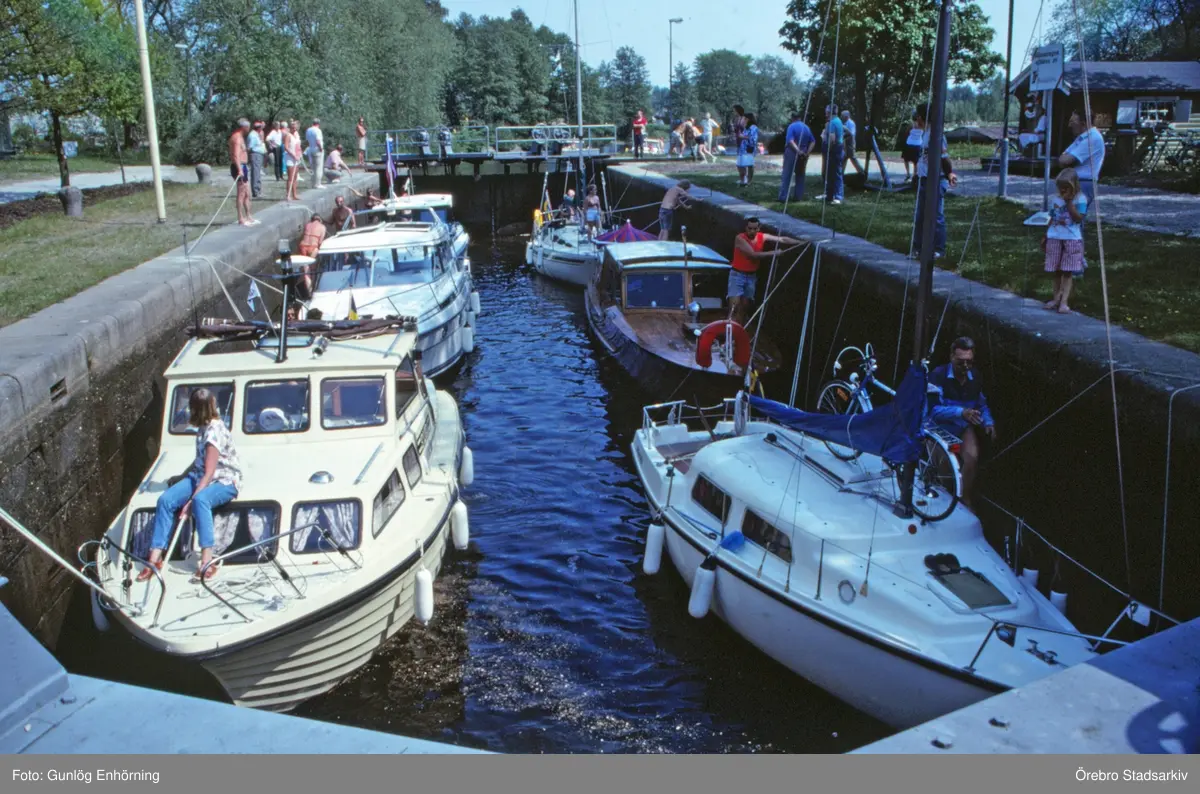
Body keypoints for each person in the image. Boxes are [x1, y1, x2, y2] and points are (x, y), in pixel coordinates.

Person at [137, 388, 242, 583]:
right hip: (199, 476)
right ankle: (155, 558)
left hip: (224, 480)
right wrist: (183, 477)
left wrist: (190, 502)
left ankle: (207, 561)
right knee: (165, 500)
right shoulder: (203, 427)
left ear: (195, 409)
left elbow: (210, 472)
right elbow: (200, 462)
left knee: (201, 501)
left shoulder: (214, 432)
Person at [928, 337, 996, 509]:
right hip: (939, 427)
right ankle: (944, 501)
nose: (965, 367)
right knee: (944, 468)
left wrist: (988, 422)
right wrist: (961, 412)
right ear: (951, 357)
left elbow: (981, 403)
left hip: (962, 426)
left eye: (969, 362)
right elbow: (933, 410)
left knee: (971, 458)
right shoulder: (937, 375)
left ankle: (964, 498)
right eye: (960, 362)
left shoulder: (976, 377)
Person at [727, 216, 802, 328]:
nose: (752, 231)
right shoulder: (739, 238)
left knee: (744, 307)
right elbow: (753, 255)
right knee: (734, 306)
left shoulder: (762, 236)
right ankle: (728, 330)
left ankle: (739, 331)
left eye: (754, 229)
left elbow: (783, 239)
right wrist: (774, 253)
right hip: (737, 275)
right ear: (746, 228)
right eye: (749, 228)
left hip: (751, 277)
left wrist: (801, 242)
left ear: (758, 228)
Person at [912, 104, 958, 259]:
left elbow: (944, 157)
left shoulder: (936, 134)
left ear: (921, 117)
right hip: (924, 179)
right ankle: (917, 248)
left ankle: (939, 249)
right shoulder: (925, 133)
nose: (916, 120)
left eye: (917, 117)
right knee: (920, 216)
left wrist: (949, 173)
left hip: (936, 180)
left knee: (936, 215)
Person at [1042, 167, 1087, 314]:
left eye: (1066, 187)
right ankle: (1056, 298)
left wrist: (1069, 203)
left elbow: (1078, 218)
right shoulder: (1055, 198)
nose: (1062, 190)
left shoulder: (1080, 199)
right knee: (1056, 270)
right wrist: (1046, 235)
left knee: (1067, 271)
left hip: (1071, 238)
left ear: (1074, 186)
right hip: (1055, 237)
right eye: (1060, 187)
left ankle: (1064, 301)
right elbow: (1052, 216)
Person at [1058, 109, 1105, 208]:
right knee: (1064, 214)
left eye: (1072, 122)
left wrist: (1067, 158)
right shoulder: (1081, 138)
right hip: (1074, 182)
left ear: (1083, 124)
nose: (1069, 125)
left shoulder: (1092, 139)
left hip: (1083, 184)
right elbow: (1061, 160)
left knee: (1073, 214)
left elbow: (1065, 160)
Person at [779, 111, 815, 202]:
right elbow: (813, 141)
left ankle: (783, 197)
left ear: (792, 118)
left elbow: (790, 141)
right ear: (800, 118)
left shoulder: (791, 126)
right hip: (804, 153)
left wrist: (798, 151)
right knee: (800, 175)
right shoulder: (806, 127)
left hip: (792, 152)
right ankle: (798, 197)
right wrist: (807, 152)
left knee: (787, 174)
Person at [228, 118, 257, 226]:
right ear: (244, 127)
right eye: (248, 127)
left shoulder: (241, 137)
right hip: (239, 166)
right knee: (241, 192)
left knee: (247, 193)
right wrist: (239, 169)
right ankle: (240, 217)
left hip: (244, 165)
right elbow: (236, 155)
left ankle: (248, 215)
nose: (249, 129)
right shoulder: (237, 138)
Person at [820, 105, 844, 204]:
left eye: (826, 111)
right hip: (839, 148)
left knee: (835, 173)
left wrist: (828, 148)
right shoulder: (838, 121)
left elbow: (832, 139)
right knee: (831, 173)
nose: (825, 113)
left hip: (834, 150)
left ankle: (838, 196)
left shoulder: (832, 123)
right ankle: (829, 195)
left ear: (829, 112)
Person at [736, 112, 759, 187]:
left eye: (744, 118)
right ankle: (743, 179)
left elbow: (752, 138)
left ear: (748, 119)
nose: (743, 119)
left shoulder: (753, 127)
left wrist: (742, 136)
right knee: (740, 164)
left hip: (749, 149)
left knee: (749, 165)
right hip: (743, 149)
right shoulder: (746, 127)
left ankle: (749, 181)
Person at [284, 120, 303, 202]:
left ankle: (294, 194)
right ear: (290, 128)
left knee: (295, 177)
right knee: (290, 177)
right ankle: (288, 195)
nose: (294, 129)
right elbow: (286, 147)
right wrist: (293, 155)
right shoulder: (288, 135)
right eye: (293, 128)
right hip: (290, 158)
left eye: (295, 128)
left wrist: (299, 153)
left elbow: (298, 145)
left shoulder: (297, 134)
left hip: (297, 157)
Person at [247, 121, 267, 198]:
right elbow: (250, 147)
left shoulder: (256, 134)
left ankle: (258, 190)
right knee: (255, 173)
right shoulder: (253, 135)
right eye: (261, 127)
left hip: (258, 154)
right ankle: (256, 191)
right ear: (258, 128)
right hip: (255, 155)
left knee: (257, 173)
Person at [840, 110, 864, 177]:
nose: (841, 117)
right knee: (844, 157)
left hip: (850, 143)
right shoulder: (843, 123)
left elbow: (852, 134)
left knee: (852, 157)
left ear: (847, 116)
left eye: (842, 116)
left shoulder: (851, 123)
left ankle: (861, 172)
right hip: (845, 142)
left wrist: (843, 136)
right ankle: (841, 173)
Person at [901, 113, 923, 181]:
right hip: (918, 144)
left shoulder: (911, 125)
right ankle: (914, 175)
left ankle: (908, 174)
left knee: (906, 160)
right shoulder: (922, 125)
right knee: (915, 162)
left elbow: (907, 132)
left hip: (909, 144)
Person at [306, 118, 324, 190]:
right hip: (317, 149)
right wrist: (321, 148)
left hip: (311, 148)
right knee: (318, 168)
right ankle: (318, 183)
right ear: (318, 123)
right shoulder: (318, 130)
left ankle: (313, 183)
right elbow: (318, 141)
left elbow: (307, 139)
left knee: (313, 167)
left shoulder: (308, 130)